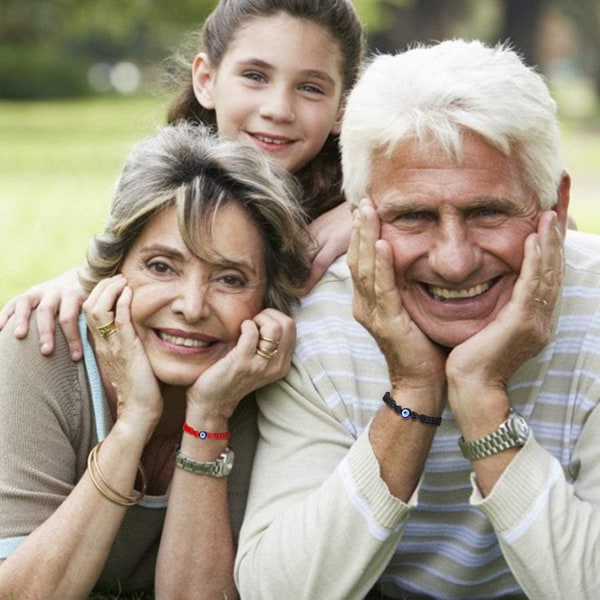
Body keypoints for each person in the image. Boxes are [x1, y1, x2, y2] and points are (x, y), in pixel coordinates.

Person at [234, 39, 600, 599]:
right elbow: (277, 590)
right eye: (414, 217)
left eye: (487, 212)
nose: (454, 260)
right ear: (361, 222)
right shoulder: (314, 328)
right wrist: (413, 391)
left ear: (556, 207)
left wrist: (481, 395)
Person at [0, 121, 313, 598]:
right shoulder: (39, 351)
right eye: (162, 267)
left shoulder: (270, 382)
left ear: (268, 299)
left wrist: (208, 417)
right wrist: (133, 423)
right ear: (114, 270)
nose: (191, 305)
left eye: (229, 278)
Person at [0, 0, 364, 358]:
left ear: (342, 110)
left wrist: (369, 207)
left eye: (311, 88)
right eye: (255, 76)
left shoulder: (356, 207)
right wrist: (80, 281)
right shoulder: (166, 185)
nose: (278, 110)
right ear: (206, 80)